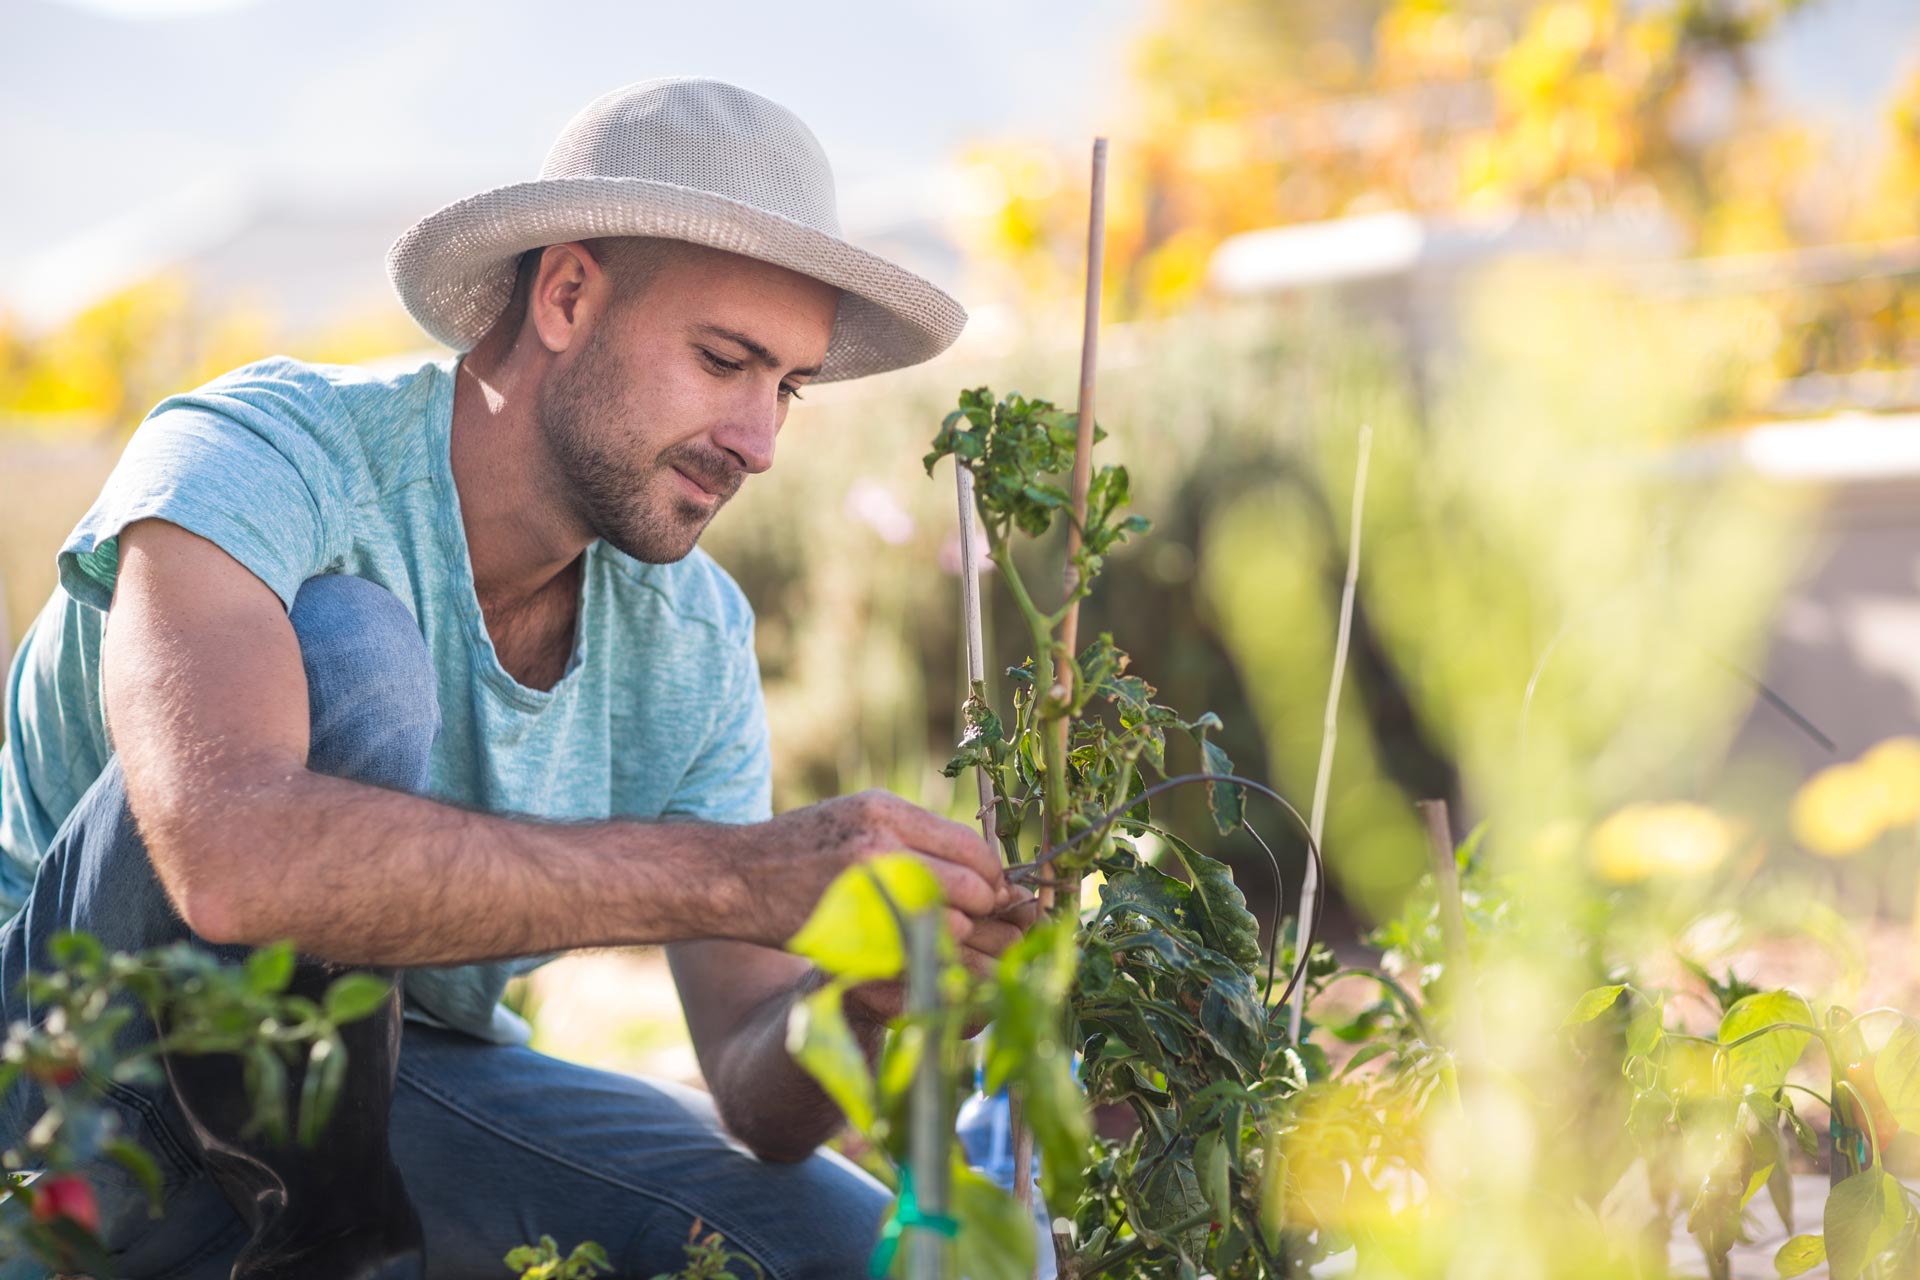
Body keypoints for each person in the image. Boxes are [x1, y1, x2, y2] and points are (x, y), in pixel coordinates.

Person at [0, 77, 1035, 1279]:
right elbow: (226, 857)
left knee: (837, 1245)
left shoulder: (689, 635)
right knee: (351, 649)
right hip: (68, 1086)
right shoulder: (261, 453)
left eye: (786, 387)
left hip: (393, 1083)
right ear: (567, 293)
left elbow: (755, 1086)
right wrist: (735, 874)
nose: (759, 441)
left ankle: (335, 1232)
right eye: (723, 360)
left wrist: (865, 990)